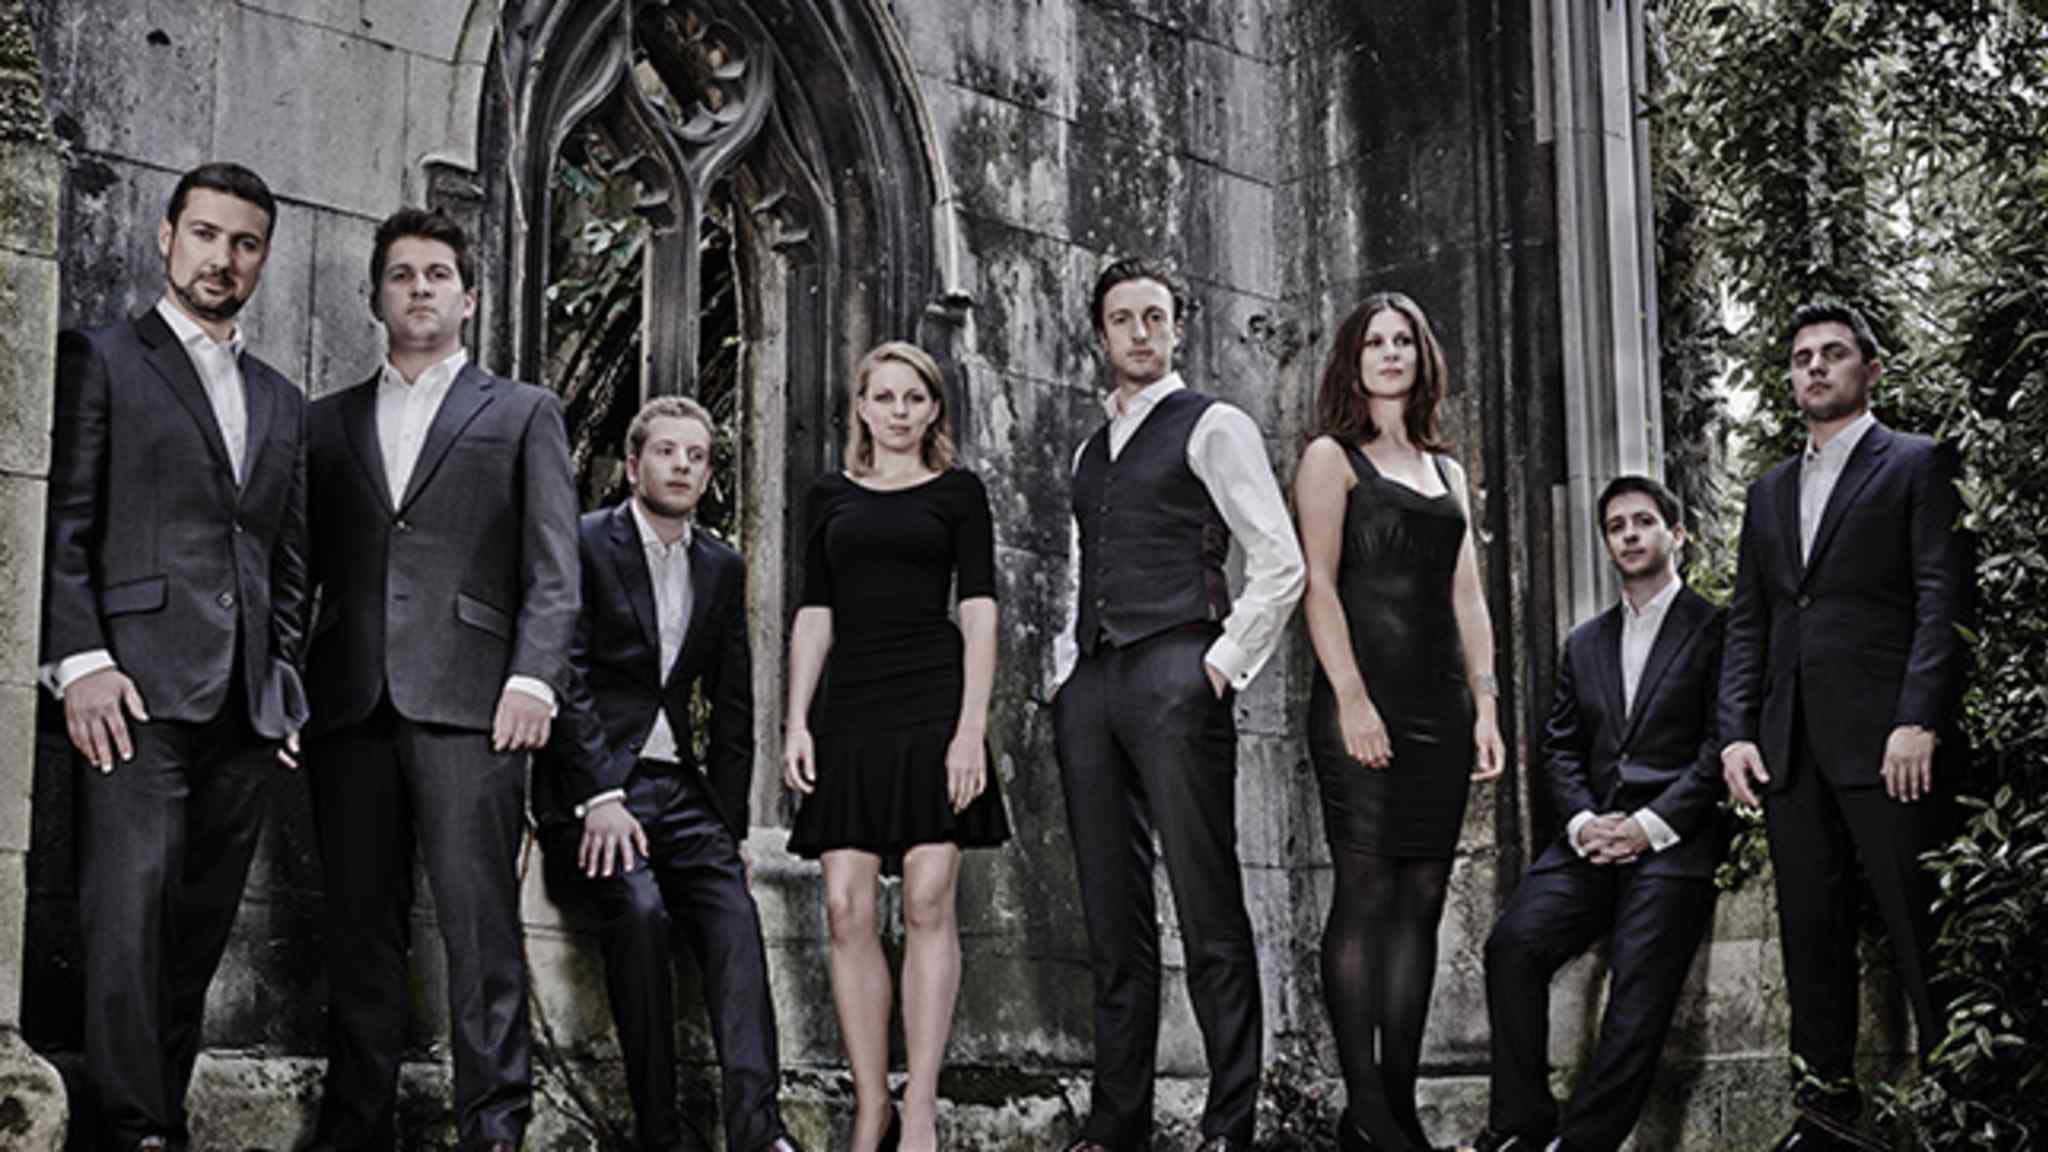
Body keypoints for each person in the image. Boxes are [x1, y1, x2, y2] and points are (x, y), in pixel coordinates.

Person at [41, 161, 307, 1152]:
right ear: (166, 237)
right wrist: (81, 662)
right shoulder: (104, 358)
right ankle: (134, 1128)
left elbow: (287, 560)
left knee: (199, 926)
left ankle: (161, 1112)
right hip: (132, 691)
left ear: (262, 258)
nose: (221, 258)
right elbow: (63, 522)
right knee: (128, 912)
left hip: (244, 704)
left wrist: (281, 681)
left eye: (244, 243)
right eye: (205, 234)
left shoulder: (281, 399)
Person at [301, 208, 579, 1152]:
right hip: (348, 701)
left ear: (469, 297)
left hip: (475, 705)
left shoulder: (523, 411)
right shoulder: (324, 423)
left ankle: (493, 1125)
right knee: (358, 929)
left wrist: (534, 680)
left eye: (437, 274)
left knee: (479, 925)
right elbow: (298, 568)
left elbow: (554, 568)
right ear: (375, 297)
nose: (418, 288)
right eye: (401, 274)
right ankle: (356, 1126)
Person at [1052, 259, 1305, 1152]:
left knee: (1207, 904)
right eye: (1123, 319)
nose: (1140, 332)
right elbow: (1080, 570)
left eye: (1154, 317)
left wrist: (1220, 665)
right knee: (1110, 918)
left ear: (1177, 329)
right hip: (1093, 684)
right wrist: (1066, 678)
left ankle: (1228, 1127)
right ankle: (1115, 1127)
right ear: (1101, 336)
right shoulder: (1088, 452)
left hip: (1177, 670)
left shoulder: (1214, 425)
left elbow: (1279, 560)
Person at [1719, 301, 1973, 1152]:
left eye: (1833, 353)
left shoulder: (1919, 463)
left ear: (1871, 369)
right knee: (1811, 939)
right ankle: (1825, 1119)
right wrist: (1737, 733)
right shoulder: (1767, 492)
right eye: (1802, 358)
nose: (1815, 367)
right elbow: (1750, 622)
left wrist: (1917, 717)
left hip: (1889, 745)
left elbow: (1942, 597)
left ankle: (1962, 1113)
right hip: (1789, 751)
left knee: (1921, 928)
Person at [533, 394, 802, 1152]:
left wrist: (731, 829)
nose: (682, 465)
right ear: (633, 464)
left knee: (734, 917)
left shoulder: (720, 565)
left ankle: (758, 1132)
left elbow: (735, 703)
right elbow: (564, 673)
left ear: (707, 475)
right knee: (641, 910)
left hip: (683, 794)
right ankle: (658, 1130)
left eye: (696, 456)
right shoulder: (586, 542)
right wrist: (598, 794)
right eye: (666, 451)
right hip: (595, 790)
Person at [782, 341, 1010, 1152]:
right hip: (851, 704)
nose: (900, 411)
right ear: (862, 408)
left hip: (933, 700)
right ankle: (872, 1105)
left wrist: (970, 728)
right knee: (845, 905)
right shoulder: (828, 495)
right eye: (884, 397)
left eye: (914, 397)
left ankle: (919, 1111)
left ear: (933, 408)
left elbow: (979, 610)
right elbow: (814, 612)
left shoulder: (959, 493)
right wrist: (796, 720)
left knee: (926, 898)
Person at [1293, 291, 1504, 1152]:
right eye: (1375, 342)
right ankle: (1368, 1111)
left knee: (1421, 902)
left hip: (1440, 711)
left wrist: (1486, 704)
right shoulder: (1329, 458)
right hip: (1362, 705)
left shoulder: (1447, 472)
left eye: (1403, 341)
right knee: (1367, 894)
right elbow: (1317, 584)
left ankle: (1395, 1112)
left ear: (1422, 357)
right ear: (1354, 360)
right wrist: (1351, 698)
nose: (1390, 353)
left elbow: (1469, 598)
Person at [1470, 475, 1727, 1152]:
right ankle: (1522, 1127)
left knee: (1637, 989)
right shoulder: (1584, 642)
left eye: (1643, 522)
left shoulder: (1717, 630)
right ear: (1608, 545)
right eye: (1616, 527)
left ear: (1677, 535)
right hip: (1591, 842)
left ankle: (1584, 1144)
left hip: (1672, 844)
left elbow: (1720, 745)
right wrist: (1585, 823)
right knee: (1511, 947)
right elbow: (1560, 748)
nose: (1630, 535)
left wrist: (1648, 826)